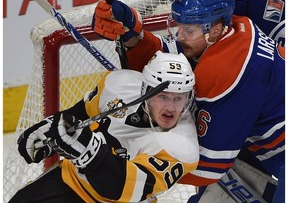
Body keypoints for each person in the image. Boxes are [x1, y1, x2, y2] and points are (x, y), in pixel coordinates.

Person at [92, 0, 285, 202]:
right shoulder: (235, 28)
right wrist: (134, 38)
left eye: (188, 31)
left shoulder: (225, 70)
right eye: (178, 27)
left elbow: (209, 168)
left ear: (215, 29)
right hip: (266, 146)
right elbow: (171, 60)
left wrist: (129, 165)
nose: (180, 36)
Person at [9, 51, 199, 203]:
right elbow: (81, 113)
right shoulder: (119, 85)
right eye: (163, 96)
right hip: (71, 181)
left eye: (178, 98)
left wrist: (86, 151)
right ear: (146, 92)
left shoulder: (182, 146)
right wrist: (52, 128)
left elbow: (120, 188)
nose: (171, 108)